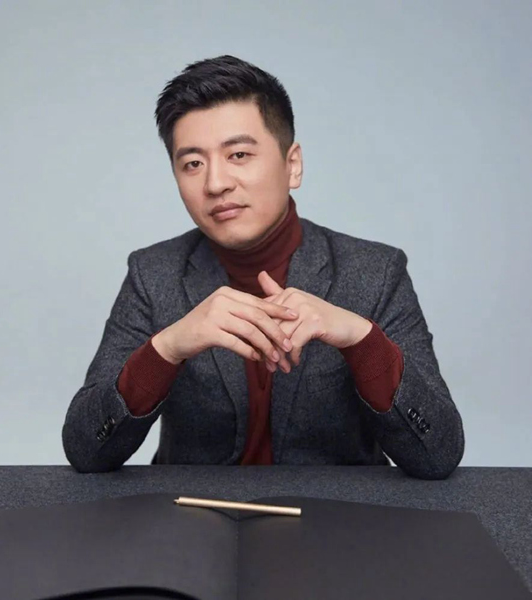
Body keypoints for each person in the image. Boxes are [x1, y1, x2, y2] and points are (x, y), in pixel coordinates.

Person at [62, 55, 464, 479]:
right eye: (193, 163)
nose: (216, 183)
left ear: (293, 165)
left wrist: (362, 340)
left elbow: (437, 455)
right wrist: (168, 347)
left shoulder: (376, 272)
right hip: (192, 511)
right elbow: (87, 451)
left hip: (334, 513)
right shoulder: (153, 273)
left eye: (238, 154)